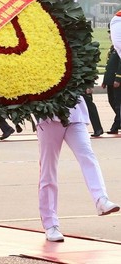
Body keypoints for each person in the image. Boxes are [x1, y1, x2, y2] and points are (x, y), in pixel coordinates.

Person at [36, 96, 120, 242]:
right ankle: (50, 224)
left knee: (88, 156)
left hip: (75, 114)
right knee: (48, 169)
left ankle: (101, 199)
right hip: (48, 116)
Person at [101, 39, 121, 135]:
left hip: (116, 81)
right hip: (110, 80)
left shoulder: (119, 48)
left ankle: (116, 125)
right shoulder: (113, 48)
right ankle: (119, 121)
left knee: (118, 104)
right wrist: (105, 80)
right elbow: (109, 66)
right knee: (112, 101)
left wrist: (118, 78)